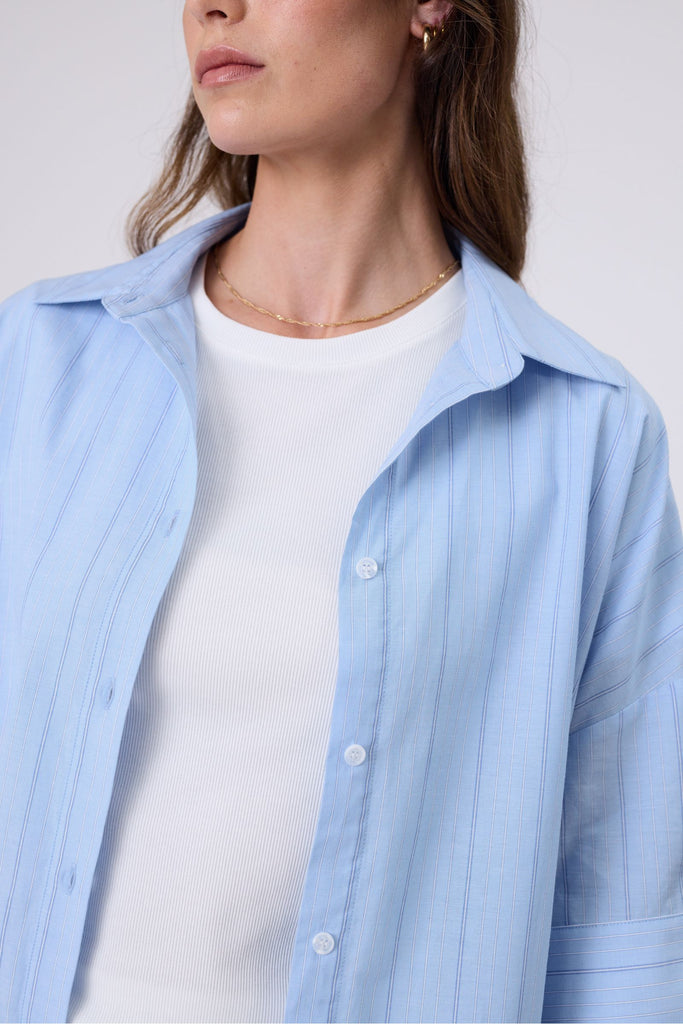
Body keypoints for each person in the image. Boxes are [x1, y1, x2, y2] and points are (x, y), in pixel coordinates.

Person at [1, 0, 682, 1021]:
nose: (212, 7)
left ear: (429, 9)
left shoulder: (582, 433)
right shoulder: (39, 361)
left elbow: (621, 936)